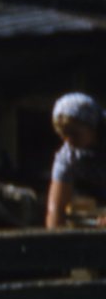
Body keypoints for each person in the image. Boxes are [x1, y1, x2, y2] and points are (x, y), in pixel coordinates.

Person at [44, 92, 106, 228]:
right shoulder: (68, 157)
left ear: (93, 127)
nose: (69, 141)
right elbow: (56, 210)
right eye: (64, 135)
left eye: (74, 134)